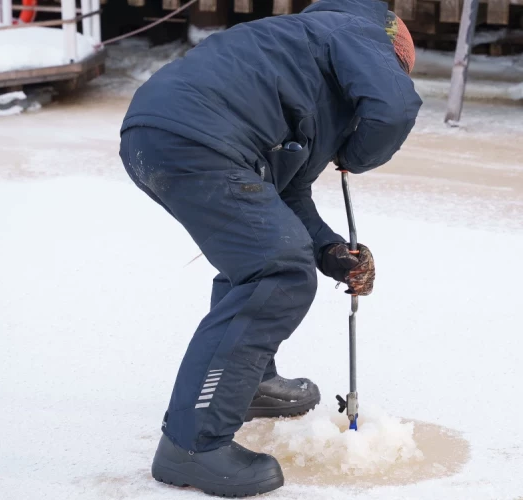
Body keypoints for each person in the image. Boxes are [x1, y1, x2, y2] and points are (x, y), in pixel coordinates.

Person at [118, 0, 421, 495]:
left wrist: (329, 250)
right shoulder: (355, 30)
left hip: (157, 133)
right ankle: (193, 445)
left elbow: (285, 194)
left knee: (256, 256)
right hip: (199, 136)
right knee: (275, 272)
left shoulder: (295, 62)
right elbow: (395, 107)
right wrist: (355, 154)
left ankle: (248, 383)